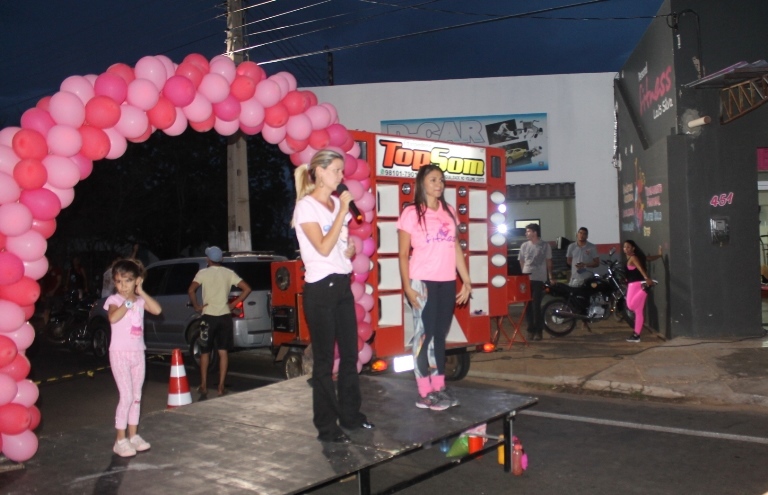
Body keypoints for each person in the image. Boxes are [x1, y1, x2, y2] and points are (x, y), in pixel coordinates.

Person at [293, 149, 372, 444]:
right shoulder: (306, 207)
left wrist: (347, 250)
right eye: (336, 170)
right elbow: (322, 248)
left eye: (342, 171)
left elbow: (336, 247)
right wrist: (341, 214)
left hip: (341, 284)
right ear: (319, 172)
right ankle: (327, 428)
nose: (341, 176)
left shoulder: (338, 203)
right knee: (325, 361)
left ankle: (351, 415)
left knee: (350, 355)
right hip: (320, 289)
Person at [397, 164, 472, 411]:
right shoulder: (411, 213)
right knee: (424, 336)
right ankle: (424, 392)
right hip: (422, 281)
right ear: (422, 183)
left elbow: (455, 247)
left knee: (439, 335)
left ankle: (439, 387)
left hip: (446, 280)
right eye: (433, 180)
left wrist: (466, 280)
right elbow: (403, 254)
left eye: (441, 180)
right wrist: (407, 287)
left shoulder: (449, 211)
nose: (439, 184)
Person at [104, 259, 162, 458]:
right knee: (126, 396)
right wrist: (128, 302)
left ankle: (133, 435)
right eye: (119, 281)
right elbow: (113, 318)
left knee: (136, 396)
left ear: (137, 280)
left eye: (128, 281)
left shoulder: (139, 300)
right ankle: (120, 440)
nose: (123, 286)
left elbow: (157, 310)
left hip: (138, 353)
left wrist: (140, 292)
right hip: (119, 353)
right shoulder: (114, 300)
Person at [187, 246, 251, 398]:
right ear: (221, 259)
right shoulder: (229, 273)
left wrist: (196, 306)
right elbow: (247, 289)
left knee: (205, 352)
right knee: (223, 352)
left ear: (208, 259)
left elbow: (191, 290)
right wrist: (233, 304)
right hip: (224, 317)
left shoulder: (202, 273)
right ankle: (221, 386)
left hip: (208, 317)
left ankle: (204, 385)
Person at [519, 223, 554, 341]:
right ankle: (531, 330)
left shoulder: (545, 245)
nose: (526, 233)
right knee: (527, 306)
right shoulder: (524, 246)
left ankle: (539, 331)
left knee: (536, 305)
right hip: (526, 279)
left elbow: (549, 261)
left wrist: (550, 276)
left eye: (528, 231)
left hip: (538, 279)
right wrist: (523, 274)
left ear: (535, 232)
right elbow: (521, 260)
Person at [623, 240, 656, 342]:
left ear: (633, 248)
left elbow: (640, 268)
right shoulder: (631, 257)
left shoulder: (633, 257)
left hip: (635, 285)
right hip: (637, 284)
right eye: (624, 247)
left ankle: (646, 288)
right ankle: (636, 335)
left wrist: (647, 278)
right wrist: (659, 255)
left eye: (628, 247)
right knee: (638, 311)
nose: (626, 249)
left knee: (630, 305)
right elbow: (648, 259)